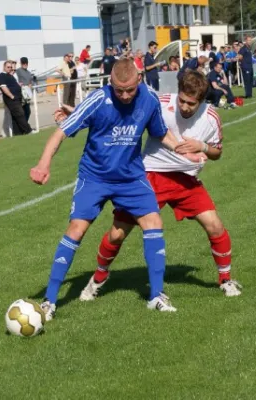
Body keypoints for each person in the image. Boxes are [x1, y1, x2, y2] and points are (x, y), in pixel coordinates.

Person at [29, 59, 188, 321]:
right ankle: (49, 301)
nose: (125, 96)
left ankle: (157, 296)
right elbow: (61, 133)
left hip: (130, 178)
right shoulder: (97, 100)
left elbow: (160, 133)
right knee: (76, 230)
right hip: (94, 178)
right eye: (118, 90)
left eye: (129, 90)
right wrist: (43, 164)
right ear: (110, 83)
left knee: (154, 222)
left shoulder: (148, 99)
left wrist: (182, 148)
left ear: (139, 80)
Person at [79, 70, 242, 302]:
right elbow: (126, 111)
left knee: (214, 225)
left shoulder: (211, 117)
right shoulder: (161, 104)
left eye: (191, 103)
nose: (185, 107)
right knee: (117, 234)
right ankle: (98, 278)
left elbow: (217, 152)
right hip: (150, 176)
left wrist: (202, 147)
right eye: (182, 100)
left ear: (202, 100)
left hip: (185, 180)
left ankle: (225, 280)